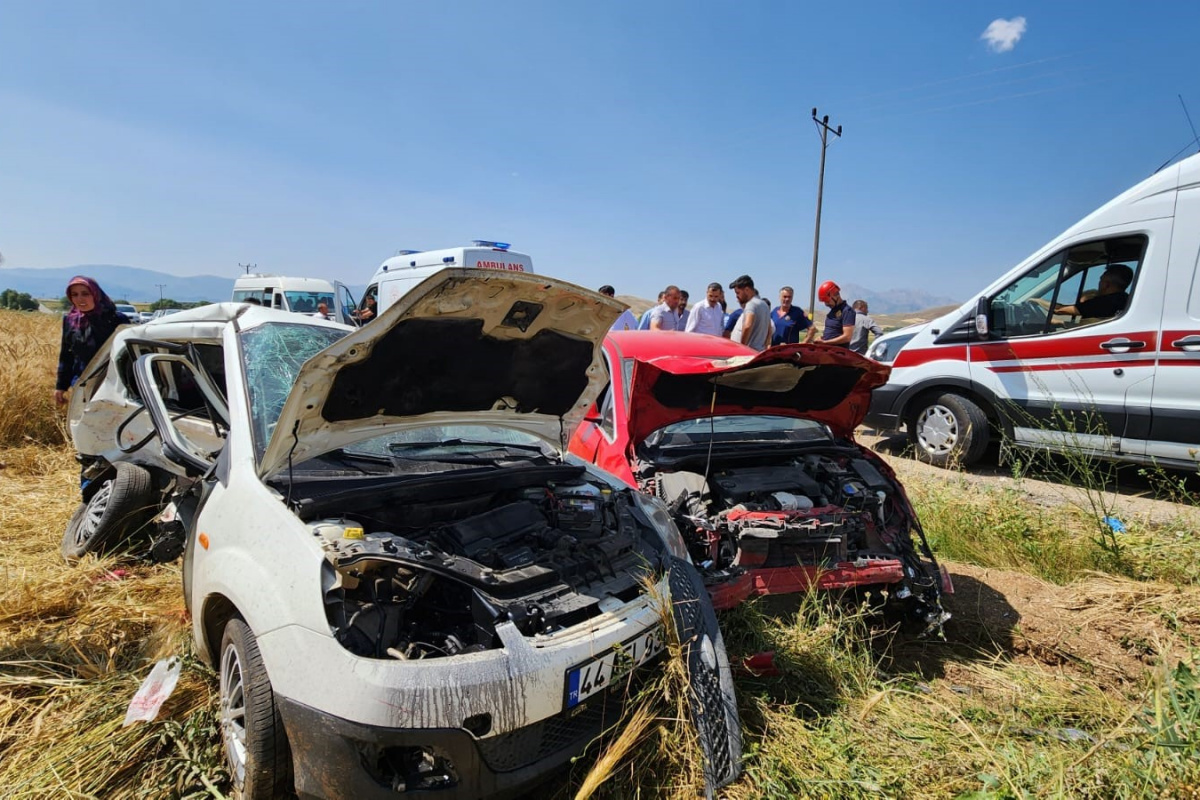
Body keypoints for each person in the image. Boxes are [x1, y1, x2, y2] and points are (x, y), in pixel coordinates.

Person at [54, 276, 126, 406]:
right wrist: (61, 386)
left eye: (85, 294)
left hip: (113, 385)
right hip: (81, 383)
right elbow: (66, 355)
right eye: (74, 295)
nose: (79, 299)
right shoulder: (70, 320)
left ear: (95, 294)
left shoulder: (116, 320)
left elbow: (127, 354)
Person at [1053, 265, 1134, 319]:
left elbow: (1059, 310)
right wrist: (1061, 322)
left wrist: (1040, 301)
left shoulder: (1104, 302)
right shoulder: (1125, 300)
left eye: (1101, 280)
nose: (1098, 283)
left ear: (1106, 285)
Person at [805, 280, 856, 347]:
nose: (826, 304)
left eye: (827, 301)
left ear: (835, 295)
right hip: (828, 350)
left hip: (838, 353)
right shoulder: (832, 311)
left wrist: (825, 342)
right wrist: (822, 338)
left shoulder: (847, 311)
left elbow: (847, 337)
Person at [729, 275, 771, 351]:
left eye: (738, 293)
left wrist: (742, 348)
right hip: (759, 351)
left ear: (747, 290)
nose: (737, 296)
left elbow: (748, 325)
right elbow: (769, 330)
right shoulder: (764, 305)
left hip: (749, 353)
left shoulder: (751, 304)